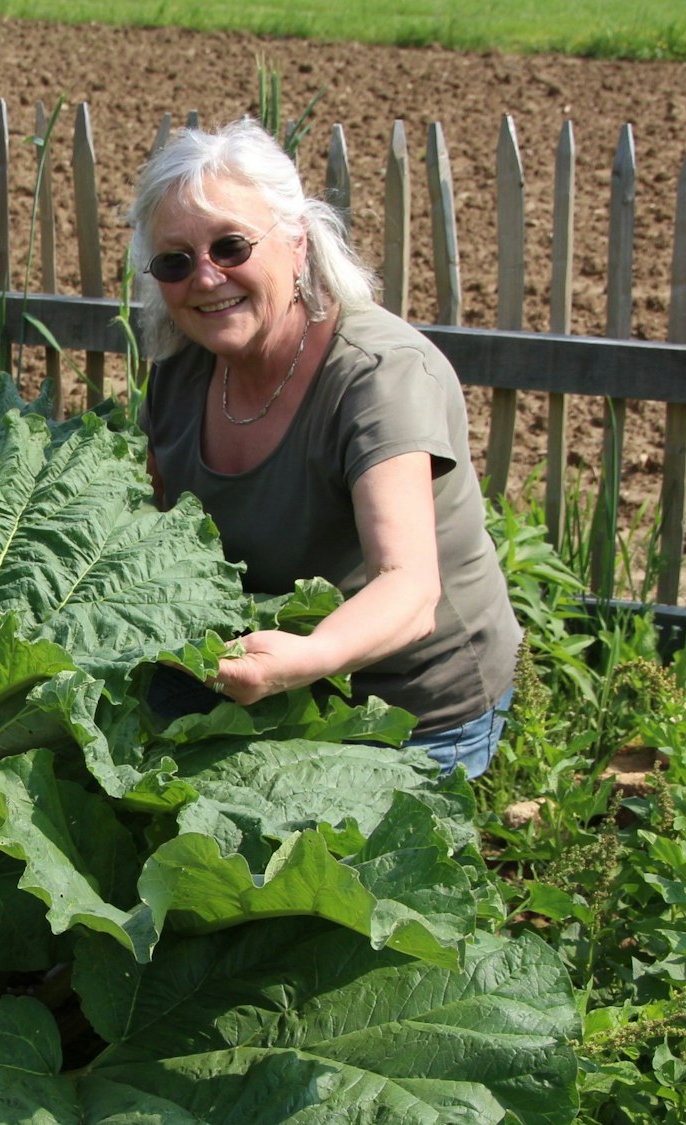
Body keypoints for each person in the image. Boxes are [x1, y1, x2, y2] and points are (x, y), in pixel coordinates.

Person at [132, 118, 521, 777]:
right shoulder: (183, 368)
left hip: (406, 707)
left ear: (297, 243)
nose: (204, 278)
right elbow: (152, 532)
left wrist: (301, 659)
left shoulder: (379, 376)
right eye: (176, 261)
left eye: (230, 246)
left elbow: (410, 590)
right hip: (255, 677)